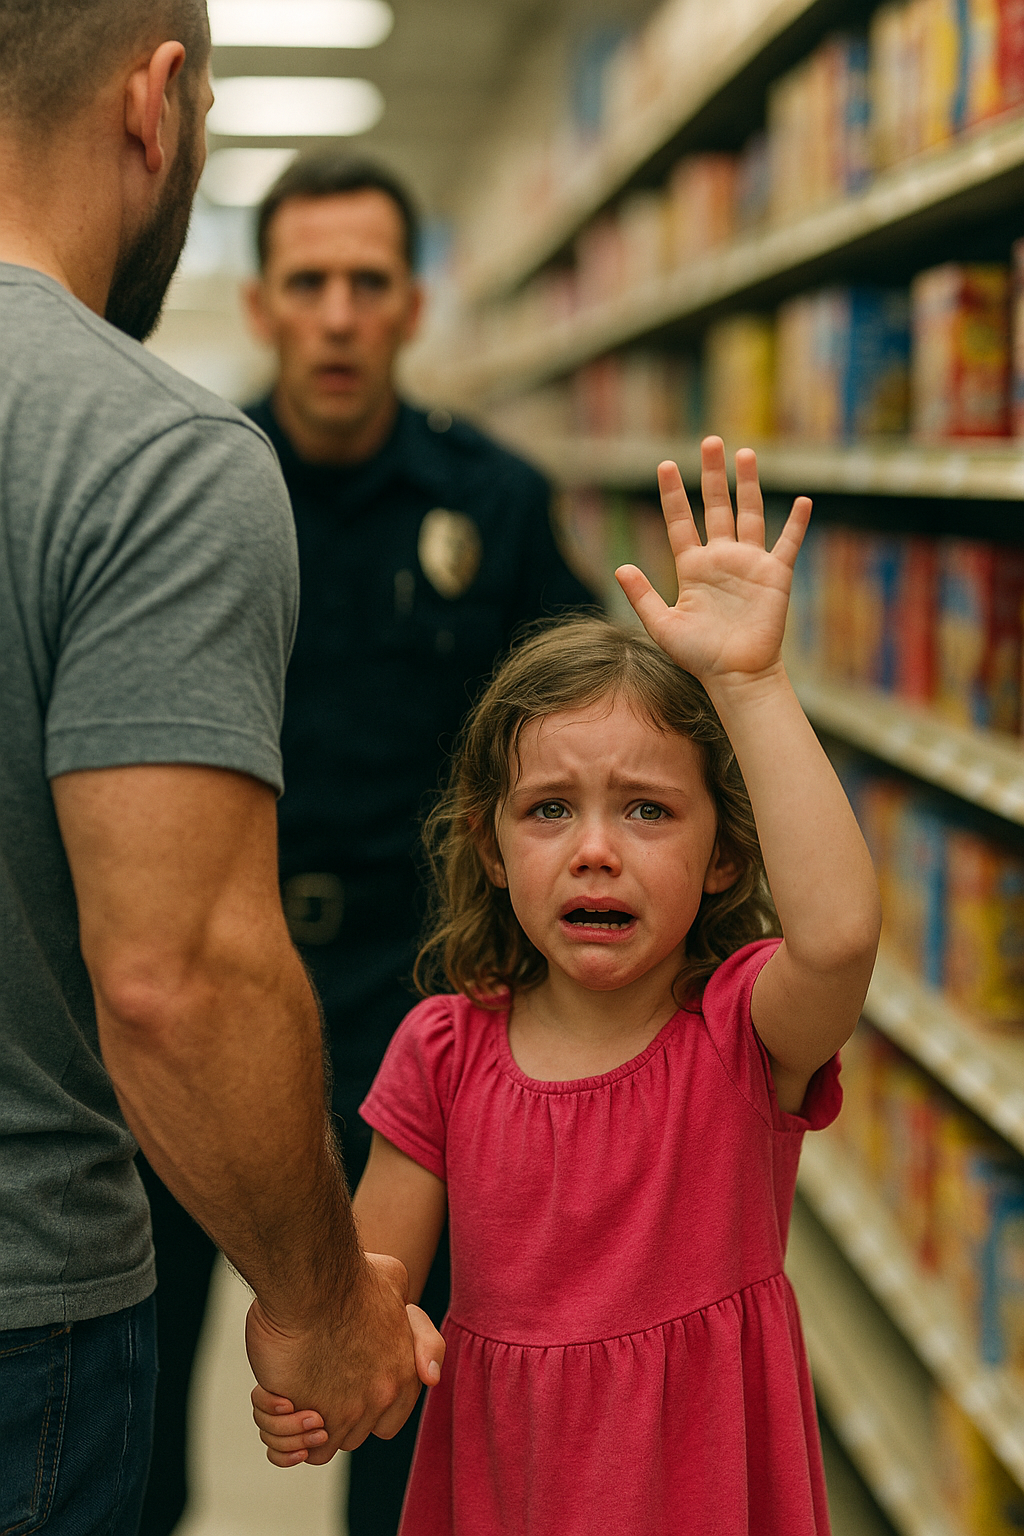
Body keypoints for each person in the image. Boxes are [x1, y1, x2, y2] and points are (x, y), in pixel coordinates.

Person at [255, 438, 883, 1533]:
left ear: (724, 857)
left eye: (647, 809)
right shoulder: (442, 1053)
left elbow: (834, 942)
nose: (595, 850)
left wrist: (750, 683)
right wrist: (337, 1356)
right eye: (549, 809)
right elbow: (372, 1281)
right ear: (489, 849)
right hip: (512, 1491)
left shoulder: (741, 1035)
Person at [0, 5, 442, 1532]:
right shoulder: (146, 454)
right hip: (31, 1287)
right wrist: (326, 1304)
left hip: (386, 1000)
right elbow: (175, 974)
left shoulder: (482, 506)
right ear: (158, 99)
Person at [138, 151, 593, 1536]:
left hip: (425, 1023)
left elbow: (590, 736)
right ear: (265, 304)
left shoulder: (496, 506)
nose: (339, 315)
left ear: (412, 304)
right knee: (134, 1404)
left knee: (422, 1413)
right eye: (310, 285)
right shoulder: (178, 489)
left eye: (368, 285)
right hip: (210, 1006)